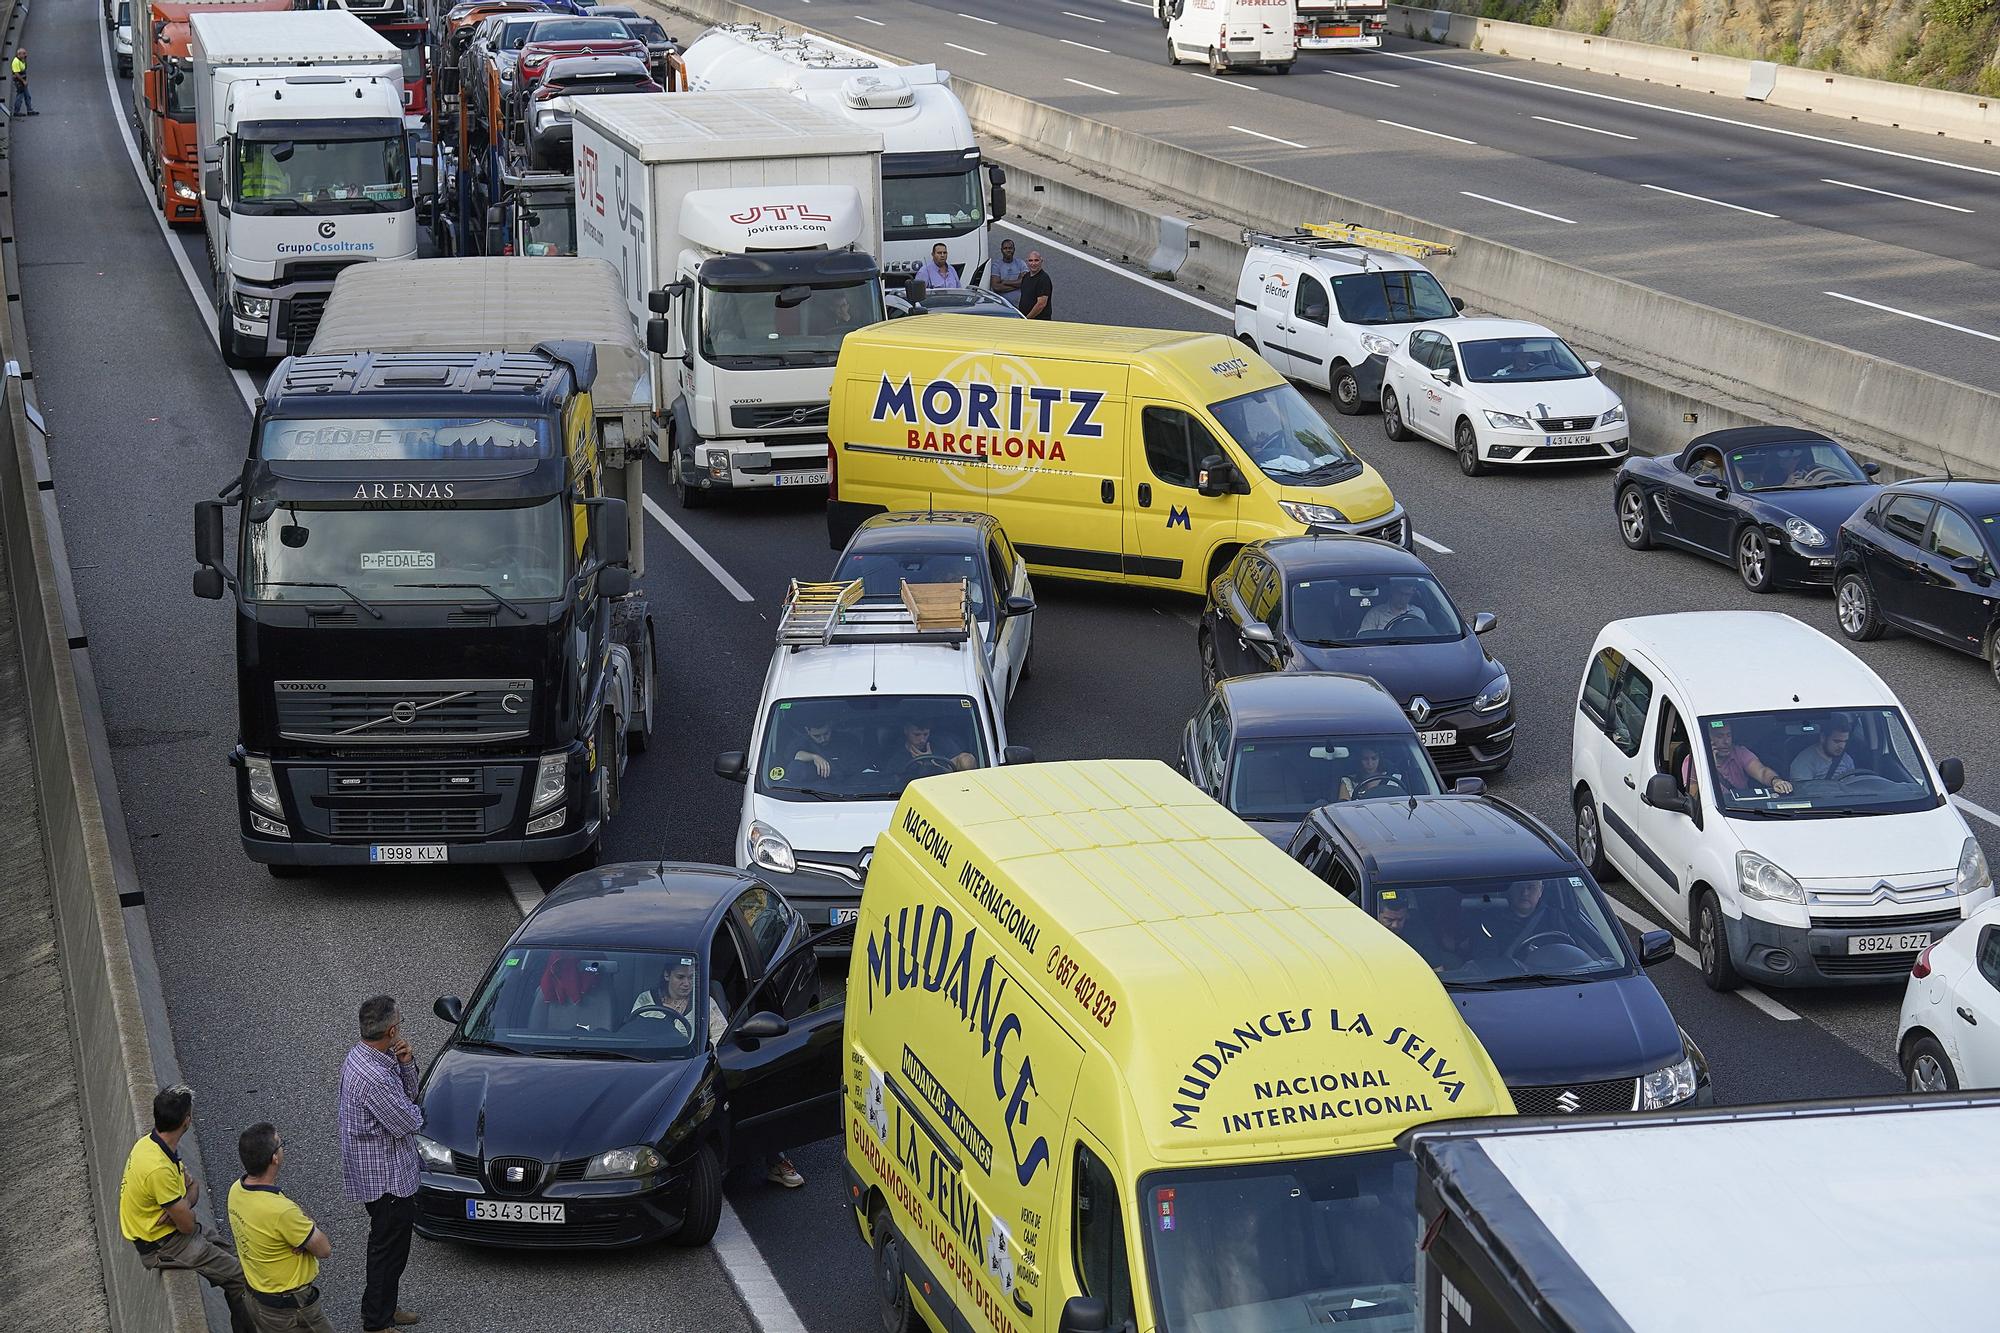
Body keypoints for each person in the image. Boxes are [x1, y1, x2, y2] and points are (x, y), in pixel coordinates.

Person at [629, 958, 806, 1189]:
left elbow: (722, 1040)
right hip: (655, 1069)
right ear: (666, 976)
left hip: (699, 1070)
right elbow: (634, 1034)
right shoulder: (645, 1000)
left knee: (755, 1097)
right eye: (680, 977)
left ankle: (776, 1159)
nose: (686, 984)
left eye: (691, 978)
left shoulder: (705, 1003)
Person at [119, 1085, 258, 1333]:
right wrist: (183, 1207)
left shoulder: (150, 1145)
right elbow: (188, 1224)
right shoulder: (159, 1169)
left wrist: (180, 1205)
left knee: (242, 1265)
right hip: (162, 1245)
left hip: (171, 1233)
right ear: (187, 1121)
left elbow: (194, 1188)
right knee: (245, 1280)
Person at [338, 996, 422, 1332]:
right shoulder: (375, 1078)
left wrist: (406, 1064)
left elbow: (406, 1097)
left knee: (391, 1247)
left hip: (377, 1172)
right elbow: (409, 1119)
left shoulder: (362, 1057)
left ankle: (385, 1306)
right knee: (387, 1249)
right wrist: (418, 1109)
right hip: (386, 1178)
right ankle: (376, 1320)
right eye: (399, 1022)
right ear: (391, 1029)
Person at [228, 1123, 335, 1333]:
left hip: (258, 1298)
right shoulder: (281, 1211)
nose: (282, 1148)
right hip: (292, 1308)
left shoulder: (236, 1190)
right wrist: (304, 1227)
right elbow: (324, 1249)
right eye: (281, 1144)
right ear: (274, 1158)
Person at [1683, 720, 1791, 798]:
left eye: (1728, 735)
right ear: (1707, 738)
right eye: (1720, 737)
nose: (1726, 741)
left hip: (1742, 808)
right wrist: (1710, 767)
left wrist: (1776, 781)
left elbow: (1761, 772)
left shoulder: (1739, 752)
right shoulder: (1693, 762)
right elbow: (1695, 799)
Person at [1789, 715, 1857, 783]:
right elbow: (1802, 790)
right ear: (1823, 738)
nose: (1842, 746)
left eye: (1845, 741)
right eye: (1837, 741)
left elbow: (1852, 785)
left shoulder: (1846, 758)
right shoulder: (1804, 761)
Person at [895, 719, 975, 774]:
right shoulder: (894, 754)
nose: (922, 740)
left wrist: (931, 762)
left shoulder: (943, 744)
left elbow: (964, 763)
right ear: (906, 731)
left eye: (925, 734)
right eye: (917, 734)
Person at [1358, 582, 1429, 635]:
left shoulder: (1418, 613)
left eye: (1407, 595)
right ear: (1392, 592)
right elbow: (1363, 637)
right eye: (1400, 593)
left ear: (1412, 595)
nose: (1403, 598)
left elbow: (1427, 636)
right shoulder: (1375, 614)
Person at [987, 238, 1027, 308]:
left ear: (1014, 249)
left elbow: (1025, 282)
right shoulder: (996, 265)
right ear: (1001, 250)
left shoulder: (1021, 263)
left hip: (1019, 306)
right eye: (1005, 248)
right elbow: (996, 287)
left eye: (1010, 248)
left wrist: (1005, 282)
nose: (1008, 250)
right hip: (1002, 306)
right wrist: (1018, 285)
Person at [1017, 251, 1053, 320]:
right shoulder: (1026, 277)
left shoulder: (1044, 279)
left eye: (1036, 260)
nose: (1033, 263)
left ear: (1041, 261)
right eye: (1030, 261)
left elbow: (1041, 304)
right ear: (1027, 262)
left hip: (1038, 321)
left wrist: (1027, 318)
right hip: (1025, 319)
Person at [10, 47, 33, 117]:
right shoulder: (16, 61)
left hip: (23, 80)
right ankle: (16, 112)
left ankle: (30, 110)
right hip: (19, 81)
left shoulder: (22, 60)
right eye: (24, 53)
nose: (26, 55)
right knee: (20, 96)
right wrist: (23, 81)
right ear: (19, 54)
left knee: (27, 96)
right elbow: (16, 73)